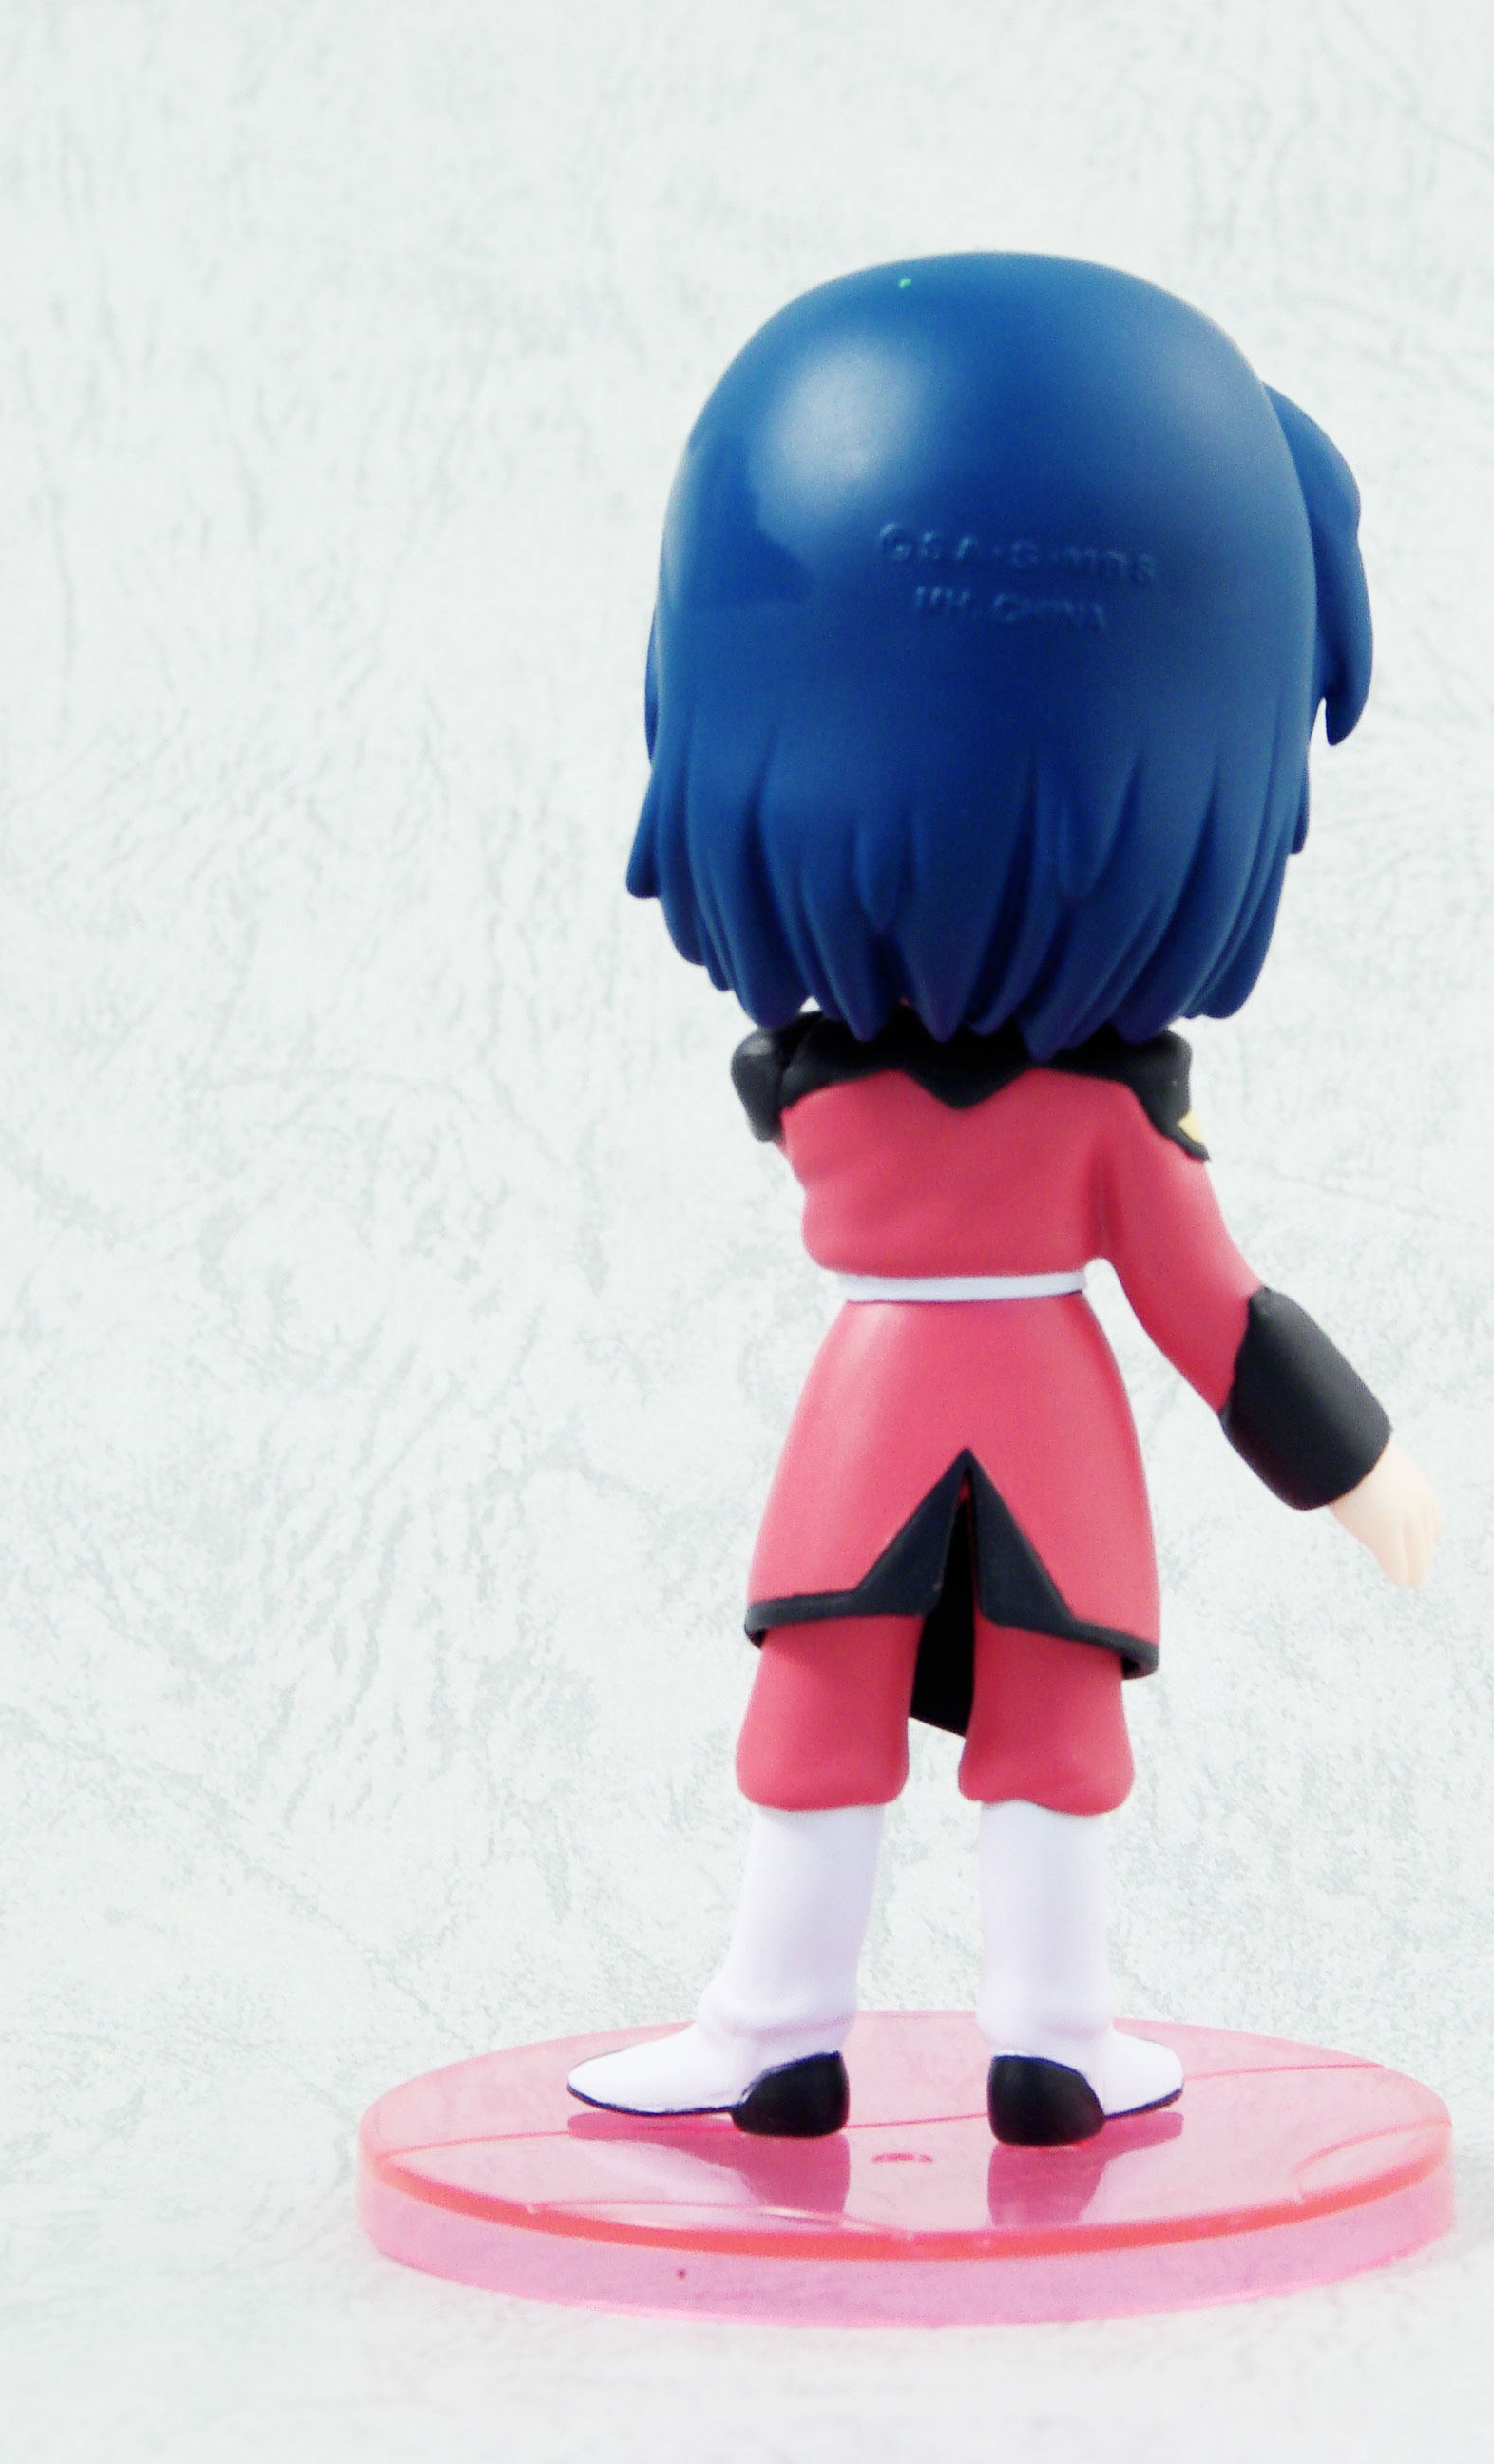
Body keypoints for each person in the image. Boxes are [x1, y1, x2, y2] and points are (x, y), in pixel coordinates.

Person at [568, 254, 1441, 2148]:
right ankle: (944, 2034)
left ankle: (936, 2033)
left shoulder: (837, 1103)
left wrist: (1361, 1472)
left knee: (924, 1714)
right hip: (1037, 1431)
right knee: (921, 1713)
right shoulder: (1047, 1123)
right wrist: (1359, 1476)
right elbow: (1218, 1318)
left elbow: (1222, 1320)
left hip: (881, 1422)